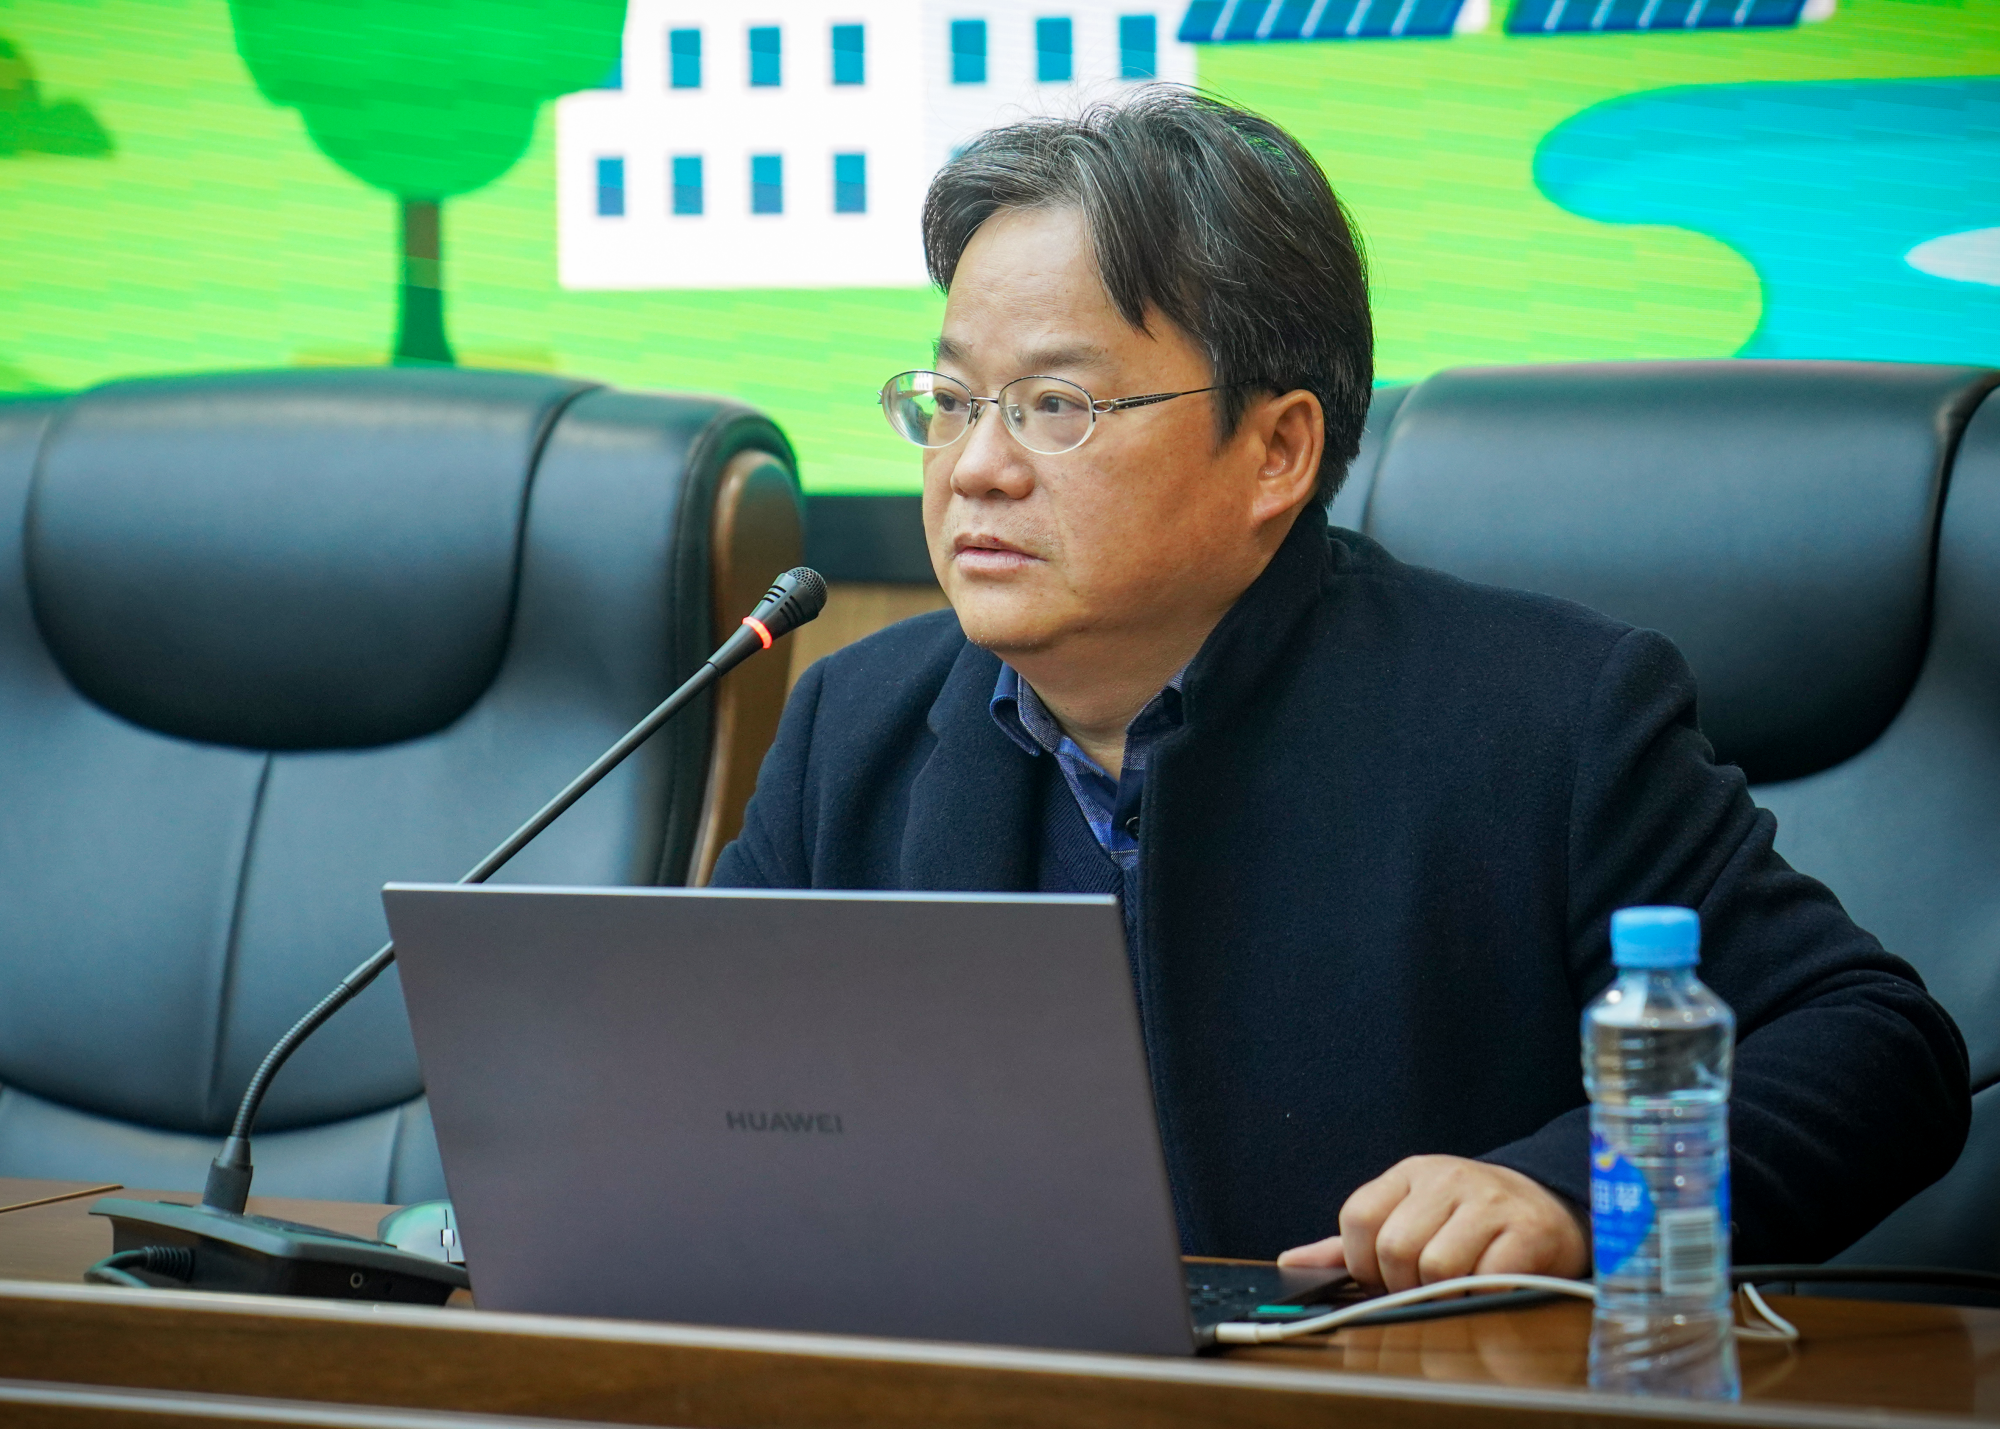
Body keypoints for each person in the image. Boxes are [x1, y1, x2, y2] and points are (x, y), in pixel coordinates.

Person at [711, 88, 1969, 1290]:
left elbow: (1874, 1048)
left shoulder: (1542, 718)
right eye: (951, 400)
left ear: (1277, 450)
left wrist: (1572, 1193)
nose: (975, 466)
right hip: (988, 1380)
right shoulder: (854, 725)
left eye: (1055, 404)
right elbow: (707, 1086)